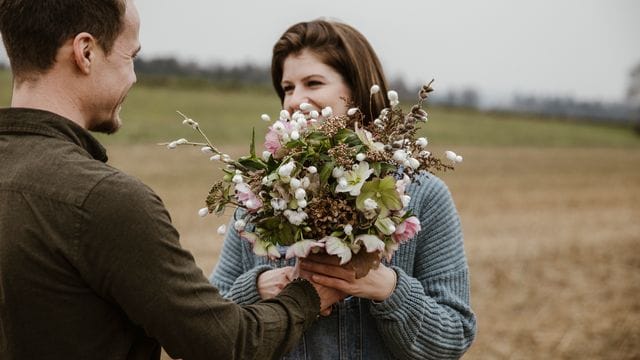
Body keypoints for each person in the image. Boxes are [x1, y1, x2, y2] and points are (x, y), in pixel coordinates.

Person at [0, 1, 343, 359]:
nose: (133, 77)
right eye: (130, 56)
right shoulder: (101, 199)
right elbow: (226, 344)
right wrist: (309, 294)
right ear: (85, 52)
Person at [211, 19, 477, 359]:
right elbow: (211, 328)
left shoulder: (423, 194)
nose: (294, 100)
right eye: (288, 88)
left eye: (313, 83)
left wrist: (387, 288)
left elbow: (453, 336)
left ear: (357, 90)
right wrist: (259, 287)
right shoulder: (261, 197)